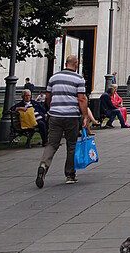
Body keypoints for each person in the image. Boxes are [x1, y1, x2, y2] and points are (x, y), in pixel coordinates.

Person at [35, 54, 89, 187]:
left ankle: (43, 165)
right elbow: (81, 99)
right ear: (76, 64)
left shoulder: (54, 78)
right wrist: (86, 116)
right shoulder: (79, 79)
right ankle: (70, 174)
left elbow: (48, 97)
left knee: (52, 144)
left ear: (66, 64)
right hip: (71, 116)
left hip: (55, 115)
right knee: (71, 145)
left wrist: (51, 108)